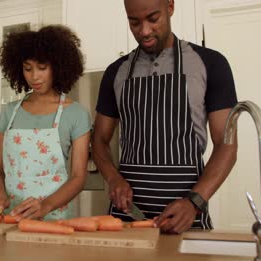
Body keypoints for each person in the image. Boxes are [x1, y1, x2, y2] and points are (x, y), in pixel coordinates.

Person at [92, 0, 238, 233]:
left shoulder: (211, 63)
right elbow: (98, 139)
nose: (144, 31)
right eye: (134, 22)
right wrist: (113, 179)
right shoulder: (115, 72)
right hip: (128, 217)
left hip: (187, 217)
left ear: (170, 6)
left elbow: (226, 145)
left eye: (153, 19)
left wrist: (194, 202)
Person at [0, 25, 91, 221]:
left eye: (42, 68)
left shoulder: (76, 114)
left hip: (55, 219)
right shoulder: (9, 112)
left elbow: (78, 177)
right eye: (28, 68)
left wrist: (45, 206)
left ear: (58, 66)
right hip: (11, 219)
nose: (34, 76)